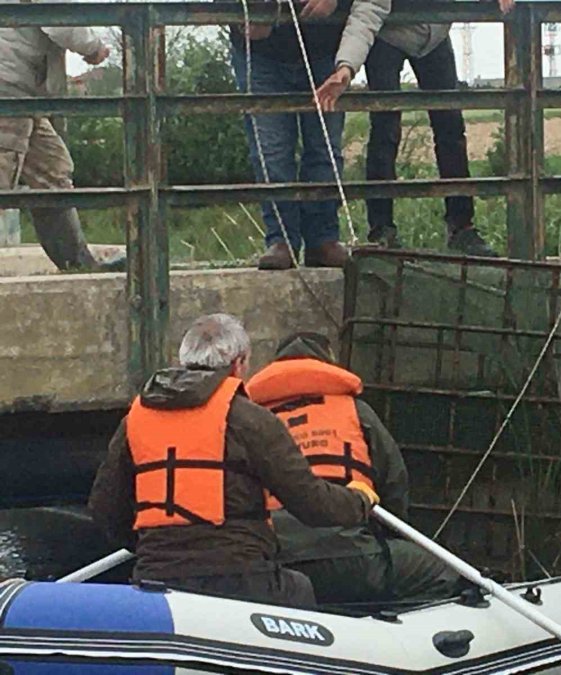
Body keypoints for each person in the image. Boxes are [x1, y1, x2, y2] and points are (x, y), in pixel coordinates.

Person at [89, 314, 378, 606]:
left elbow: (104, 510)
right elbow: (312, 504)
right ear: (239, 364)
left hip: (157, 578)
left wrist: (157, 546)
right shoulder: (250, 420)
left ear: (184, 359)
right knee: (299, 588)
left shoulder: (134, 421)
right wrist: (359, 501)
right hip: (240, 578)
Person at [246, 332, 462, 603]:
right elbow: (394, 483)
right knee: (443, 572)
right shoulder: (357, 412)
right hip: (354, 556)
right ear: (328, 362)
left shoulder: (253, 421)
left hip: (278, 562)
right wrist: (387, 541)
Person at [315, 1, 514, 257]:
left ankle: (462, 226)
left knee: (451, 126)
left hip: (434, 34)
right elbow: (367, 11)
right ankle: (381, 230)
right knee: (386, 129)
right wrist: (347, 66)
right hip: (388, 36)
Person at [230, 0, 390, 270]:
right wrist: (241, 15)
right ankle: (281, 239)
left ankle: (322, 239)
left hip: (325, 50)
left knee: (325, 149)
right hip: (260, 53)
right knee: (271, 152)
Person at [0, 21, 124, 272]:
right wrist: (94, 47)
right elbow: (59, 22)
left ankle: (77, 265)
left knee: (52, 173)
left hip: (22, 92)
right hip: (8, 87)